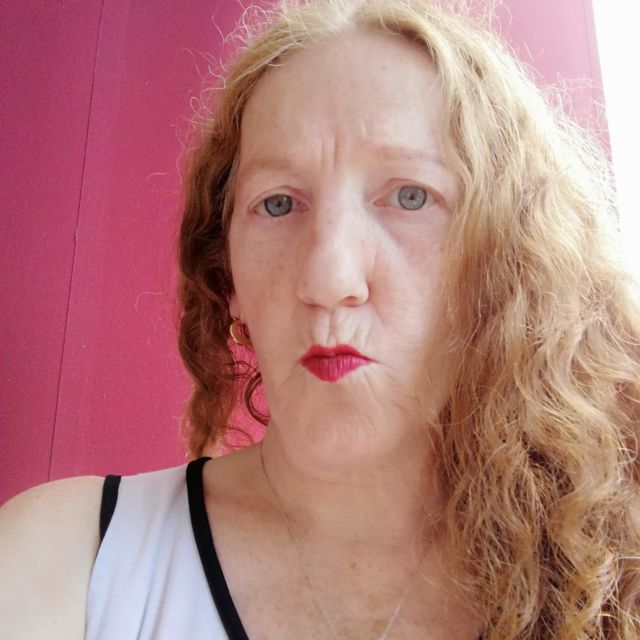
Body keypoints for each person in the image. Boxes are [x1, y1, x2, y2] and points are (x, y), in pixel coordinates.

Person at [2, 0, 639, 638]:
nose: (328, 279)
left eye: (410, 196)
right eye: (278, 203)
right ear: (229, 279)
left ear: (508, 260)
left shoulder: (616, 562)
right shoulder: (69, 566)